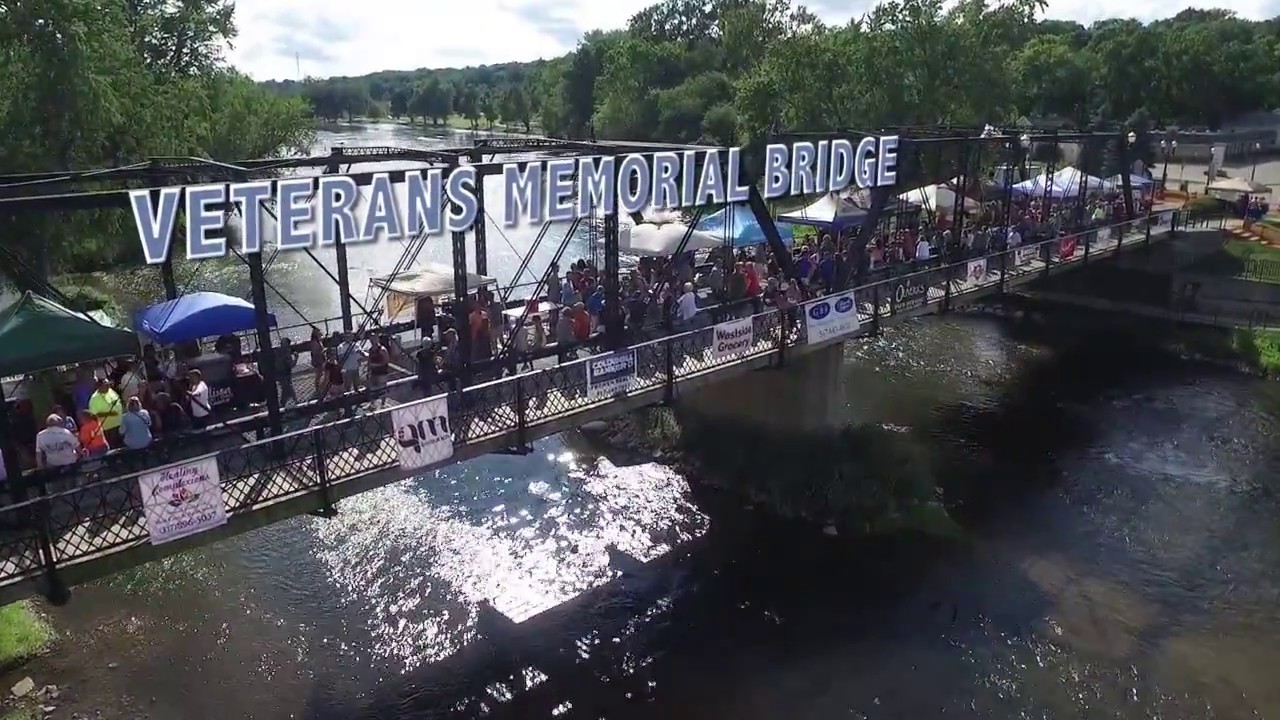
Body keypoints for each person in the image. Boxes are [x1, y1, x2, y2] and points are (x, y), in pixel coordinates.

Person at [88, 377, 123, 447]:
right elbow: (93, 415)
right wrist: (109, 414)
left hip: (119, 423)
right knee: (112, 446)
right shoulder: (94, 399)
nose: (108, 386)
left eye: (108, 384)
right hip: (107, 428)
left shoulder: (111, 391)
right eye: (106, 385)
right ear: (99, 387)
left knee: (120, 445)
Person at [276, 337, 298, 406]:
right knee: (287, 388)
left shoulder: (278, 351)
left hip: (280, 373)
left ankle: (289, 401)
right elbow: (291, 364)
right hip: (285, 373)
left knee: (286, 388)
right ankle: (294, 401)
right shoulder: (286, 353)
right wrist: (296, 358)